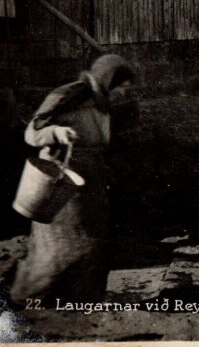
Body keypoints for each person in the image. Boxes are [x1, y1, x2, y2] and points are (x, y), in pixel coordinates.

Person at [10, 54, 136, 304]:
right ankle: (30, 302)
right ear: (108, 80)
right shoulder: (71, 94)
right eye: (122, 86)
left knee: (94, 249)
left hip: (93, 185)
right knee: (58, 251)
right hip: (64, 185)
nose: (125, 92)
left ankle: (82, 306)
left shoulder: (105, 103)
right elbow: (32, 133)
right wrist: (56, 132)